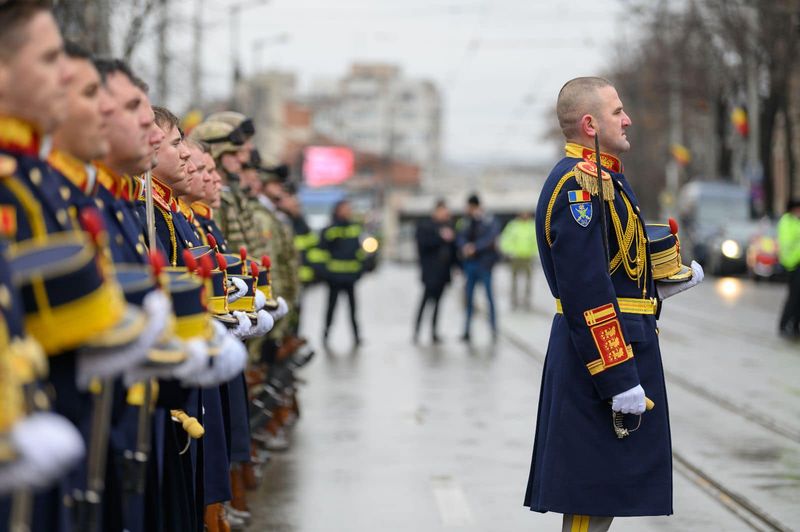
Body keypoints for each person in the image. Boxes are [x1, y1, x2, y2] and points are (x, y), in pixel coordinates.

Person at [523, 76, 704, 531]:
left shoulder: (604, 180)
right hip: (601, 361)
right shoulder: (576, 189)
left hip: (624, 348)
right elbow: (586, 294)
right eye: (617, 112)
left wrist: (656, 289)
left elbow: (613, 271)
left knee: (603, 492)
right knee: (589, 495)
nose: (628, 119)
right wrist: (618, 377)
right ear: (589, 124)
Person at [319, 199, 366, 346]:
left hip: (350, 277)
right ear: (338, 210)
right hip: (334, 277)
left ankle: (357, 337)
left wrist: (361, 269)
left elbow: (358, 252)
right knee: (331, 308)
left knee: (353, 309)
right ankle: (326, 335)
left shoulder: (354, 228)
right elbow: (321, 252)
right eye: (345, 208)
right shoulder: (330, 229)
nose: (348, 211)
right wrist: (325, 273)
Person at [456, 193, 500, 342]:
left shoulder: (487, 219)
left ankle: (494, 329)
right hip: (470, 264)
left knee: (489, 297)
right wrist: (465, 246)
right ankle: (467, 330)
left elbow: (491, 237)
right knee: (468, 297)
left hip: (485, 264)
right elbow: (460, 236)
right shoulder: (465, 221)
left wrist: (475, 247)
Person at [413, 199, 457, 344]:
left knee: (438, 304)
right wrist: (441, 237)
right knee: (425, 302)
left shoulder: (449, 226)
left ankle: (434, 332)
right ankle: (417, 331)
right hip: (430, 272)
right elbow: (423, 245)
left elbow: (453, 250)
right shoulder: (426, 226)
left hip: (443, 273)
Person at [499, 211, 537, 310]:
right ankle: (514, 300)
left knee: (528, 280)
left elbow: (536, 239)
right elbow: (505, 238)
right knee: (514, 280)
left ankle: (526, 300)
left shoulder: (532, 225)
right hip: (515, 257)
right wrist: (509, 251)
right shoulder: (513, 225)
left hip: (528, 257)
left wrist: (535, 252)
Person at [777, 199, 800, 339]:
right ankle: (784, 324)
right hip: (793, 265)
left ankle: (795, 325)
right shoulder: (787, 222)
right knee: (794, 297)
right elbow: (788, 243)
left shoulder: (796, 221)